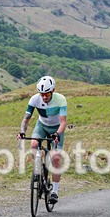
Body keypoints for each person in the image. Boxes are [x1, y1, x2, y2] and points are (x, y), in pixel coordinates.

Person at [17, 76, 67, 204]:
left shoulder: (60, 99)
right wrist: (22, 131)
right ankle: (38, 169)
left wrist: (57, 134)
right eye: (42, 94)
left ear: (53, 90)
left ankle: (54, 192)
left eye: (47, 94)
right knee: (34, 144)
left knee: (56, 159)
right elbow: (26, 119)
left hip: (56, 129)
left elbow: (63, 122)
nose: (44, 97)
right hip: (42, 126)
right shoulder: (34, 99)